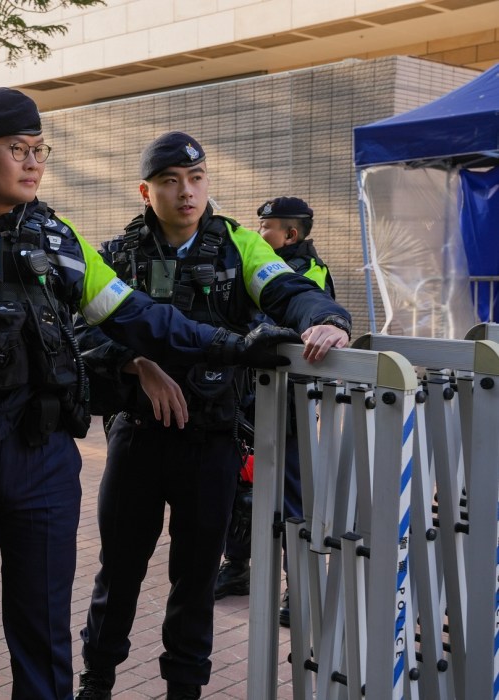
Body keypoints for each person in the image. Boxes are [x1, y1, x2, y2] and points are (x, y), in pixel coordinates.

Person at [0, 90, 300, 700]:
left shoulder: (58, 242)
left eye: (39, 149)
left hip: (42, 462)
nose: (33, 162)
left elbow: (136, 315)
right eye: (17, 150)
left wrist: (231, 344)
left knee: (42, 632)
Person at [74, 134, 352, 700]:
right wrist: (137, 364)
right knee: (119, 574)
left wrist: (325, 318)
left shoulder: (240, 246)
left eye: (196, 179)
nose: (186, 192)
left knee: (195, 582)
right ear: (145, 191)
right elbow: (79, 336)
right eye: (171, 181)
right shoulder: (117, 254)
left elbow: (290, 291)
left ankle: (184, 691)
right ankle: (95, 685)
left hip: (212, 441)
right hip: (138, 440)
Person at [215, 196, 337, 628]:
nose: (257, 233)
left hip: (290, 406)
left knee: (291, 497)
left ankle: (297, 584)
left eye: (265, 227)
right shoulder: (253, 269)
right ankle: (237, 567)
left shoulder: (307, 275)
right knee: (238, 486)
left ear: (290, 234)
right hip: (247, 398)